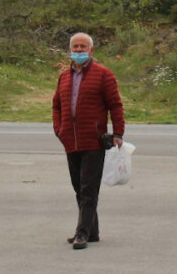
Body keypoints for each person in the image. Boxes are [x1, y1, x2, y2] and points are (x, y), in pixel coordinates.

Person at [51, 32, 124, 250]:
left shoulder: (104, 75)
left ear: (91, 50)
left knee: (88, 189)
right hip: (71, 142)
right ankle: (92, 231)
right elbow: (56, 106)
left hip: (93, 141)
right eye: (75, 47)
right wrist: (59, 130)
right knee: (78, 188)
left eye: (83, 47)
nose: (79, 50)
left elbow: (116, 105)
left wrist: (118, 133)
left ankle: (81, 233)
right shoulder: (64, 77)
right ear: (70, 50)